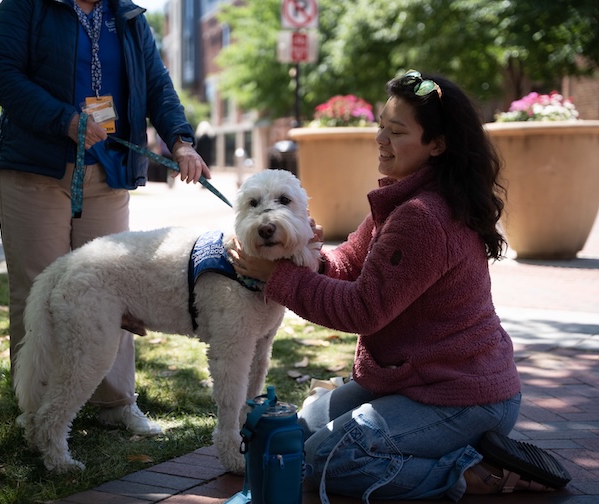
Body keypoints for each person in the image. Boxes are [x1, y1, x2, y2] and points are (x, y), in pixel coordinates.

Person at [230, 71, 567, 501]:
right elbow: (348, 264)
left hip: (461, 395)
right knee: (305, 423)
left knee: (326, 460)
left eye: (397, 131)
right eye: (381, 127)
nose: (381, 140)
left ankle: (470, 470)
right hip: (414, 381)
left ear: (437, 144)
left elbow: (363, 310)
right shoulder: (401, 201)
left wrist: (279, 277)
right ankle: (451, 449)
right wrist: (307, 255)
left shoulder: (423, 217)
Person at [0, 0, 209, 436]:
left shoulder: (127, 17)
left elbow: (158, 85)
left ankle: (116, 403)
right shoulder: (24, 5)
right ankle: (39, 412)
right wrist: (63, 119)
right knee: (37, 290)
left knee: (116, 284)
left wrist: (180, 141)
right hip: (35, 167)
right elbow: (3, 74)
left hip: (108, 170)